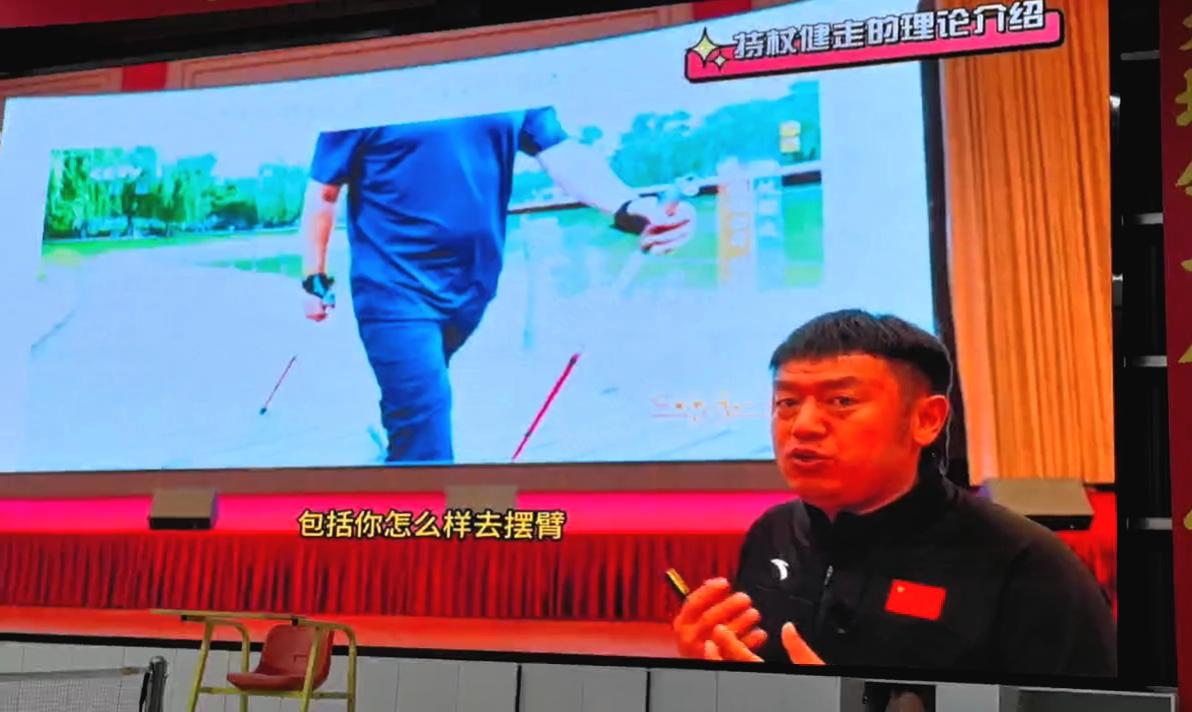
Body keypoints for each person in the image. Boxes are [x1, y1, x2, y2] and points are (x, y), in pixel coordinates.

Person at [672, 309, 1116, 678]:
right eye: (787, 402)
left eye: (841, 401)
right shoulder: (773, 533)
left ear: (926, 420)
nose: (803, 425)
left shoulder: (1029, 567)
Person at [298, 107, 694, 464]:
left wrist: (629, 205)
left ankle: (404, 441)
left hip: (473, 287)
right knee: (426, 439)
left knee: (419, 404)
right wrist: (314, 278)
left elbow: (563, 155)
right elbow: (324, 194)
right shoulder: (367, 91)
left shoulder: (510, 80)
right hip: (393, 290)